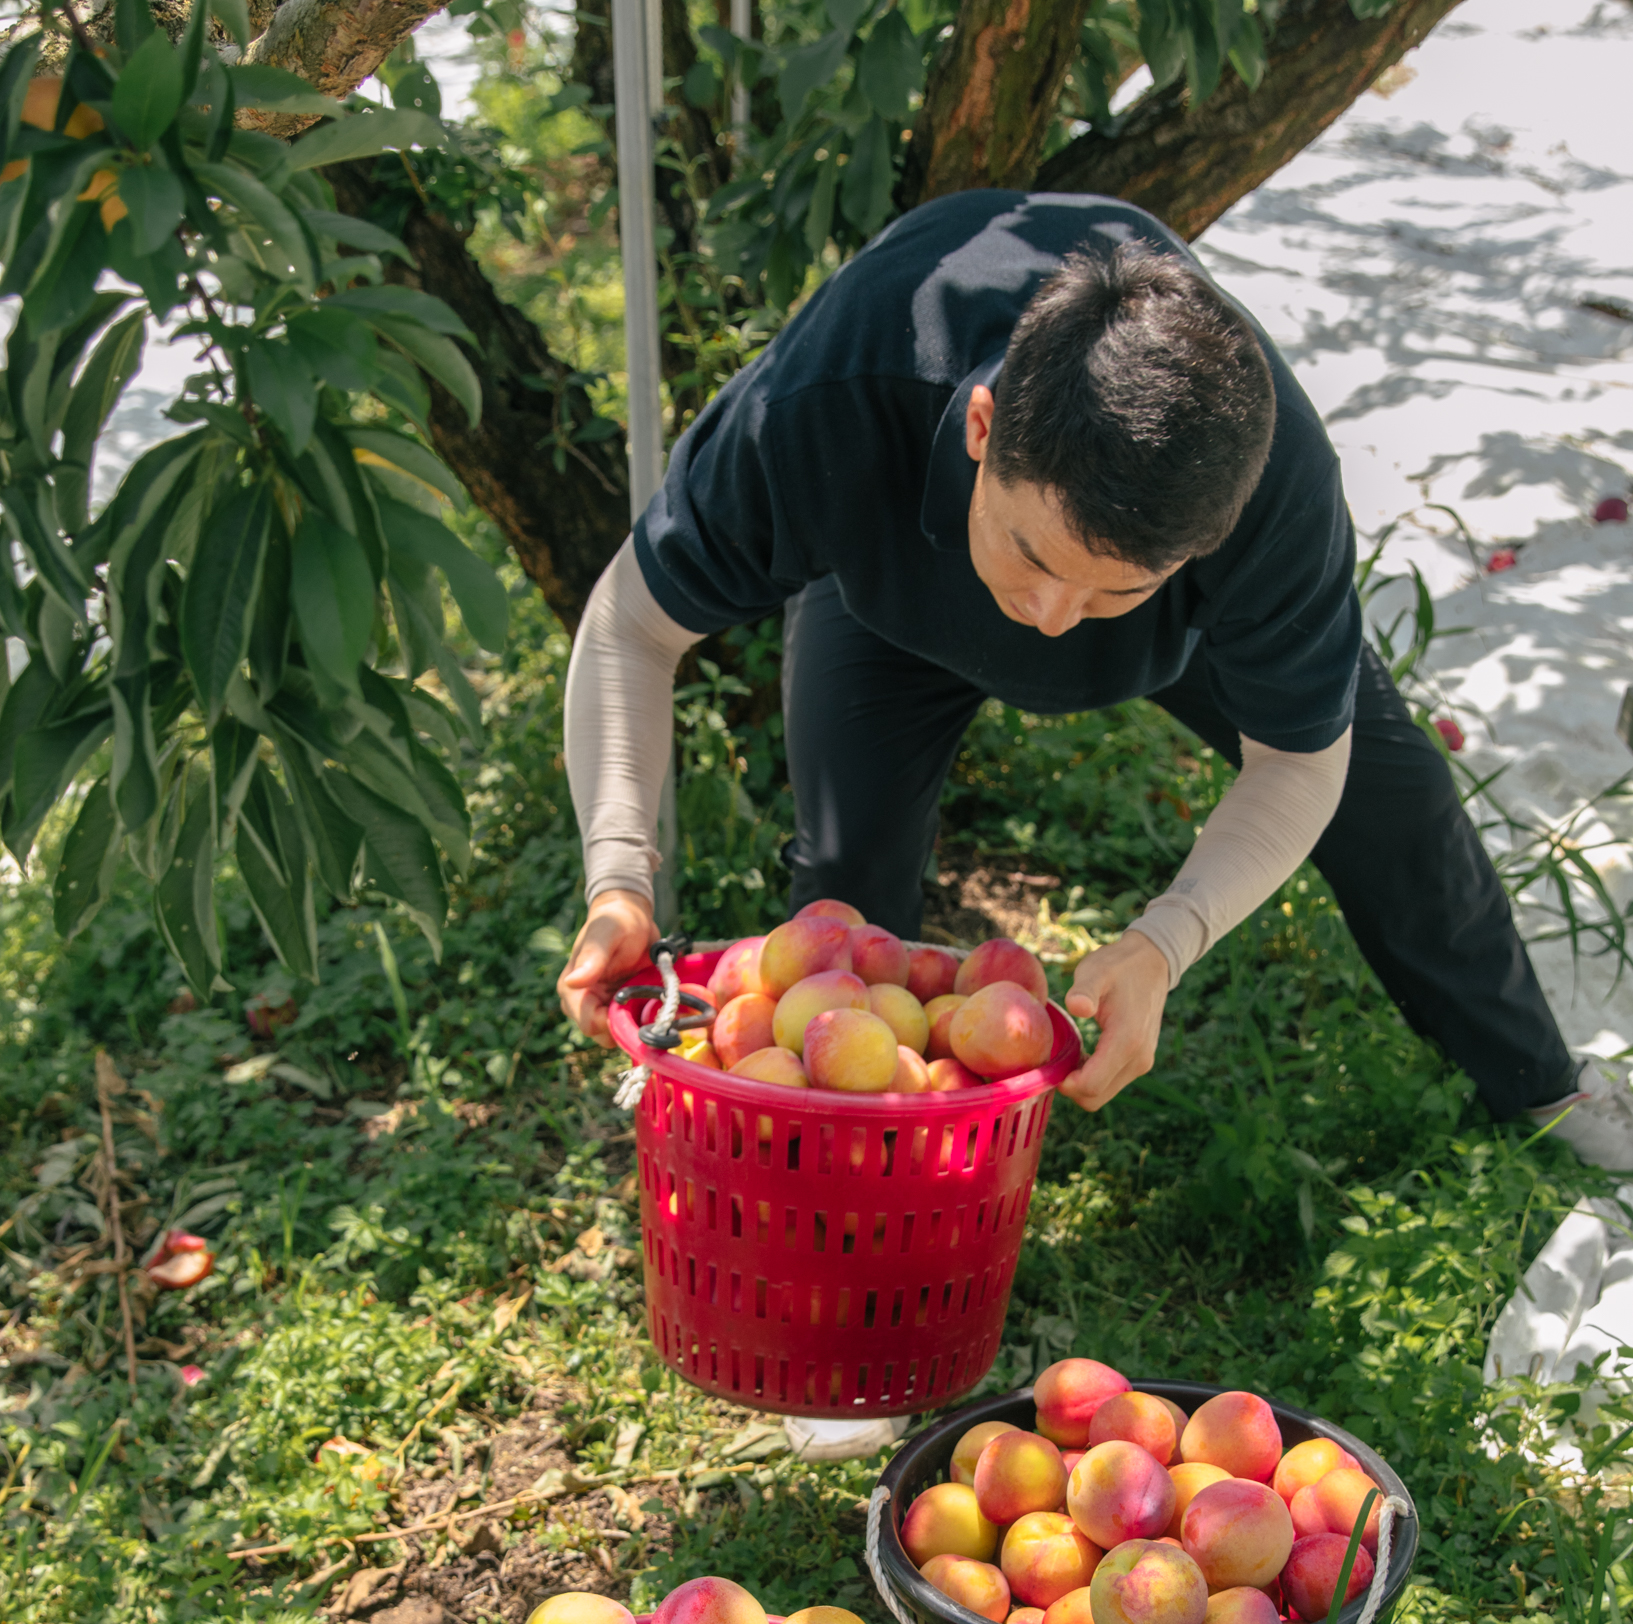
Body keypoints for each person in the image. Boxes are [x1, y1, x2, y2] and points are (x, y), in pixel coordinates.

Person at [557, 188, 1631, 1166]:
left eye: (1106, 590)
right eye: (1032, 559)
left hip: (1182, 633)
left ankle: (1541, 1090)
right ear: (980, 430)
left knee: (1392, 801)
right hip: (892, 589)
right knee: (844, 893)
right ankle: (844, 1190)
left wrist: (1165, 943)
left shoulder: (1274, 490)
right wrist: (618, 874)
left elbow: (1298, 764)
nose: (1051, 618)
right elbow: (629, 630)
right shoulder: (833, 398)